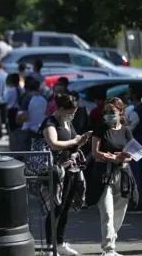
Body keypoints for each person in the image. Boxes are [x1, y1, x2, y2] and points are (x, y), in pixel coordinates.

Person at [40, 93, 91, 256]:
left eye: (75, 112)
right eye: (71, 111)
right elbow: (54, 144)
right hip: (55, 171)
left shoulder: (67, 122)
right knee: (55, 208)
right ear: (61, 109)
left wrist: (81, 140)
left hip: (70, 169)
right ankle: (49, 246)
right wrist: (74, 142)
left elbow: (72, 141)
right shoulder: (50, 123)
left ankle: (60, 242)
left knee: (65, 208)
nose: (73, 115)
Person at [88, 97, 138, 256]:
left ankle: (111, 241)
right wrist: (109, 157)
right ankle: (108, 249)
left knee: (119, 213)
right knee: (107, 213)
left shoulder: (126, 130)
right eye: (105, 112)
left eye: (112, 112)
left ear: (120, 112)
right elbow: (95, 152)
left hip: (122, 175)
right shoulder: (100, 128)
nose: (108, 115)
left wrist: (124, 157)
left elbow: (133, 154)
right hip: (104, 175)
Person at [126, 86, 142, 213]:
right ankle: (141, 203)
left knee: (136, 174)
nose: (127, 94)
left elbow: (131, 128)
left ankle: (138, 204)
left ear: (134, 95)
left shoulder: (136, 111)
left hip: (137, 143)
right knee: (139, 173)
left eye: (129, 92)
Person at [17, 76, 48, 150]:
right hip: (41, 130)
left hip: (29, 131)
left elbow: (24, 116)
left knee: (29, 155)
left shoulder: (27, 99)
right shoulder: (45, 99)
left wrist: (18, 118)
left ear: (27, 88)